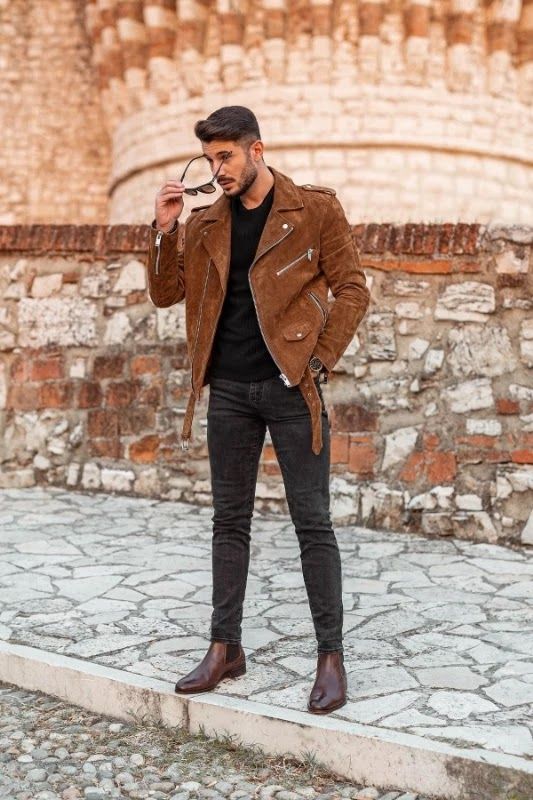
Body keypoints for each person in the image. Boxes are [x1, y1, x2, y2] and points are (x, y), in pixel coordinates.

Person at [146, 106, 370, 714]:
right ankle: (226, 648)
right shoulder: (205, 223)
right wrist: (166, 229)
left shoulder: (313, 209)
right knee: (229, 524)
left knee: (312, 524)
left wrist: (318, 361)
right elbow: (167, 293)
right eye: (209, 158)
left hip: (293, 390)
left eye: (225, 157)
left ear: (256, 151)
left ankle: (330, 657)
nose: (217, 170)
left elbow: (353, 288)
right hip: (229, 394)